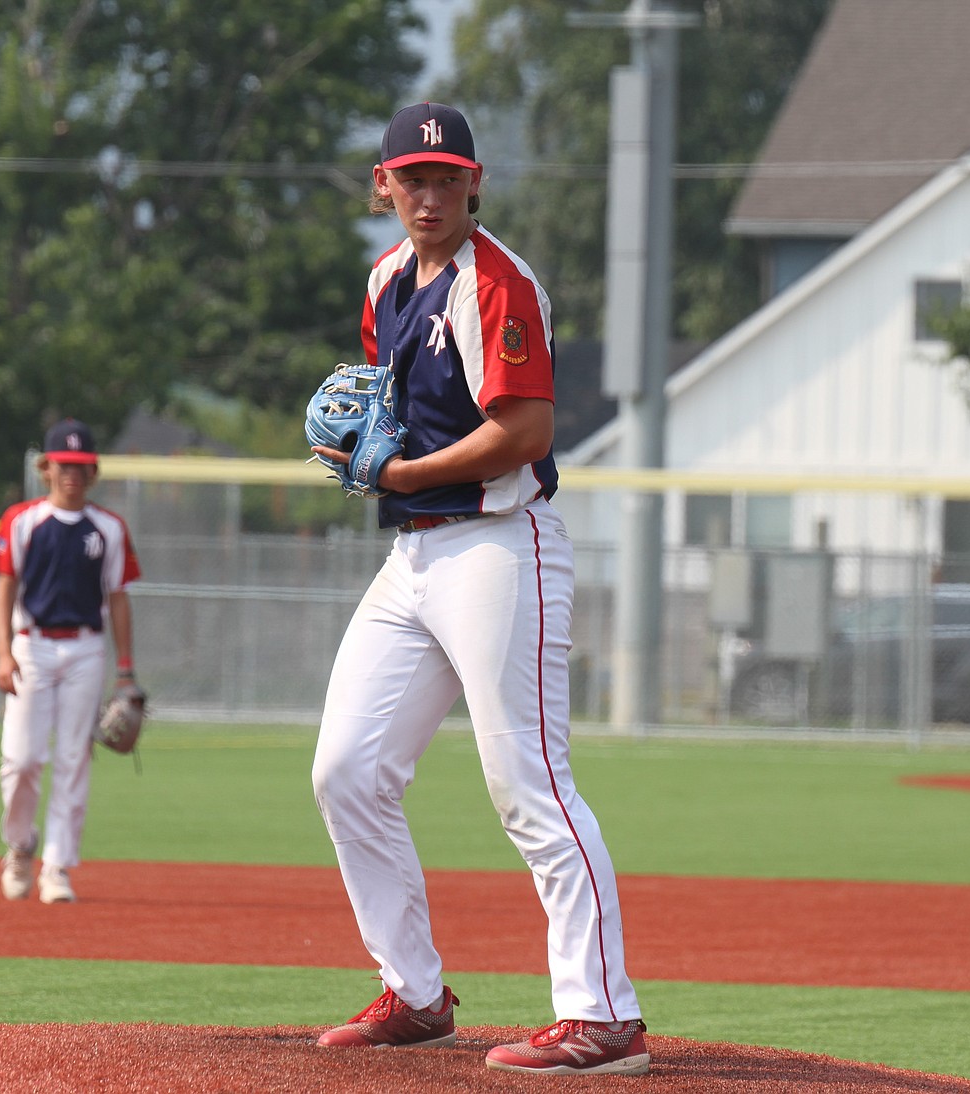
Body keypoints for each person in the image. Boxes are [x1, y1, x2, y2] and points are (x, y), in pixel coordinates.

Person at [310, 103, 648, 1076]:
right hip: (414, 555)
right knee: (346, 770)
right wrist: (369, 450)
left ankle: (603, 1014)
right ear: (382, 184)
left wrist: (404, 471)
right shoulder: (384, 280)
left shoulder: (493, 282)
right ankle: (414, 993)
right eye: (410, 177)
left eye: (445, 177)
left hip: (502, 544)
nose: (428, 193)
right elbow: (392, 410)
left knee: (530, 786)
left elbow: (528, 430)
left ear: (475, 183)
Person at [0, 417, 142, 904]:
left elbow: (117, 597)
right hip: (31, 644)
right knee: (23, 759)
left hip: (85, 649)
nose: (71, 473)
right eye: (62, 464)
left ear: (91, 472)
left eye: (80, 465)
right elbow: (5, 585)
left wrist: (125, 670)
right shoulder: (22, 519)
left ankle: (57, 866)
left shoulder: (109, 528)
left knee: (74, 759)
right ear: (46, 468)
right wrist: (4, 653)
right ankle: (20, 843)